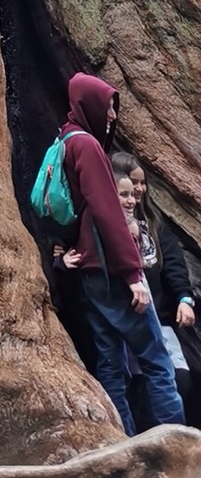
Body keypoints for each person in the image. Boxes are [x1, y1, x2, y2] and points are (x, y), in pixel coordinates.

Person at [55, 73, 182, 434]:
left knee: (110, 363)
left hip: (87, 273)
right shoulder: (89, 148)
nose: (112, 115)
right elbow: (107, 212)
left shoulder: (64, 139)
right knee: (157, 361)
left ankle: (124, 442)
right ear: (90, 104)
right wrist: (133, 275)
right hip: (111, 272)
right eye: (108, 105)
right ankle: (180, 446)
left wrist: (59, 253)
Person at [118, 152, 201, 427]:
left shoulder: (154, 224)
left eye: (142, 183)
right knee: (139, 387)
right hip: (125, 321)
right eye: (132, 182)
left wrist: (184, 298)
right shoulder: (107, 225)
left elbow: (174, 267)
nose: (138, 190)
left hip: (160, 321)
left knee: (182, 379)